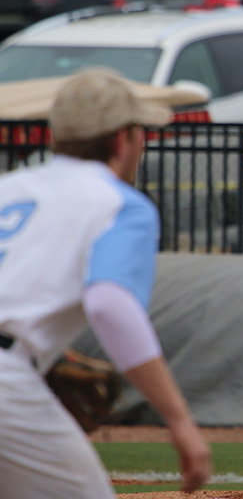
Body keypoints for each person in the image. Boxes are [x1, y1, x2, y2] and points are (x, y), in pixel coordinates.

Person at [0, 68, 212, 499]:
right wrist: (178, 419)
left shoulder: (10, 187)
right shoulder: (121, 204)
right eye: (140, 132)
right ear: (123, 139)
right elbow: (109, 304)